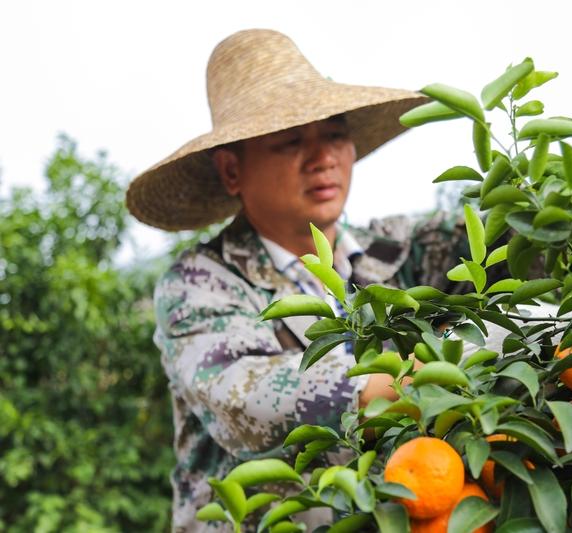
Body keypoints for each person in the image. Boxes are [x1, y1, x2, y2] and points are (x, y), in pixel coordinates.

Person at [126, 29, 476, 532]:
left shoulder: (393, 252)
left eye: (334, 133)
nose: (322, 158)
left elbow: (508, 244)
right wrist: (427, 372)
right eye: (290, 141)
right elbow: (251, 398)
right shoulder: (201, 284)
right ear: (231, 170)